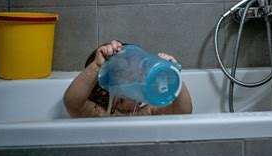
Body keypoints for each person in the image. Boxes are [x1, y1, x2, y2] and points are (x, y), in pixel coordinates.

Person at [64, 40, 193, 117]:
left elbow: (183, 112)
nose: (138, 77)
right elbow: (72, 103)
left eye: (140, 71)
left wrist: (172, 73)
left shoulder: (148, 111)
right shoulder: (98, 114)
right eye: (125, 74)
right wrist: (97, 66)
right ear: (105, 89)